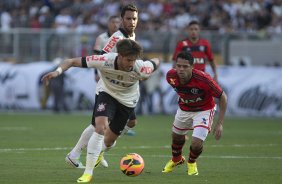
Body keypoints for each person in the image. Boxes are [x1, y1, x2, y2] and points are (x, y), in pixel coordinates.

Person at [41, 39, 160, 183]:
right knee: (100, 127)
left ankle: (99, 152)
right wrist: (57, 71)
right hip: (107, 94)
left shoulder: (141, 68)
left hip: (127, 102)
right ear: (119, 55)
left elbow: (156, 61)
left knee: (109, 142)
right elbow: (72, 61)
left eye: (134, 60)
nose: (131, 64)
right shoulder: (104, 60)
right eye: (128, 60)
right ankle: (88, 173)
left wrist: (154, 65)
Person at [162, 51, 227, 176]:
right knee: (176, 137)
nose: (181, 69)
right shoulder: (170, 76)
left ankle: (192, 162)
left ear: (192, 67)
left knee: (196, 143)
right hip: (184, 109)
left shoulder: (204, 79)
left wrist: (220, 123)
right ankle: (177, 159)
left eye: (185, 66)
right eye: (178, 66)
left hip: (204, 110)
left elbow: (223, 97)